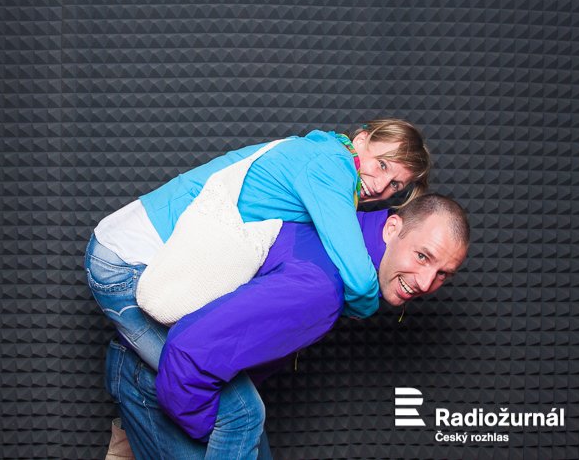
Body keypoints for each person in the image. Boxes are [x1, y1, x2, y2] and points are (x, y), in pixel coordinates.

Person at [86, 120, 431, 458]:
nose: (381, 185)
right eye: (382, 164)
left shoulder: (322, 155)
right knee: (240, 413)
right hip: (126, 264)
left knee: (220, 390)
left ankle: (131, 432)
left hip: (140, 256)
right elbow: (358, 274)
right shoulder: (330, 165)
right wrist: (363, 305)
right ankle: (134, 417)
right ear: (362, 139)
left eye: (396, 184)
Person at [105, 194, 470, 459]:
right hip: (161, 377)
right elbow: (188, 351)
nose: (425, 283)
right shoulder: (322, 288)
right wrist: (214, 436)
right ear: (392, 228)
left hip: (172, 372)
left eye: (443, 274)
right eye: (422, 256)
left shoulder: (342, 230)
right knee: (244, 416)